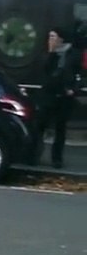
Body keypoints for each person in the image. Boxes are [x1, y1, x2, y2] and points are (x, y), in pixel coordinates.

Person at [42, 27, 81, 169]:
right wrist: (51, 53)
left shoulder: (73, 54)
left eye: (53, 37)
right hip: (48, 96)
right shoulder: (49, 54)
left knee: (60, 129)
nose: (50, 40)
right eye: (49, 37)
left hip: (64, 98)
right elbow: (45, 70)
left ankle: (56, 159)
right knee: (40, 126)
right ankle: (33, 155)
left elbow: (79, 75)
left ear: (61, 39)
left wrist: (73, 90)